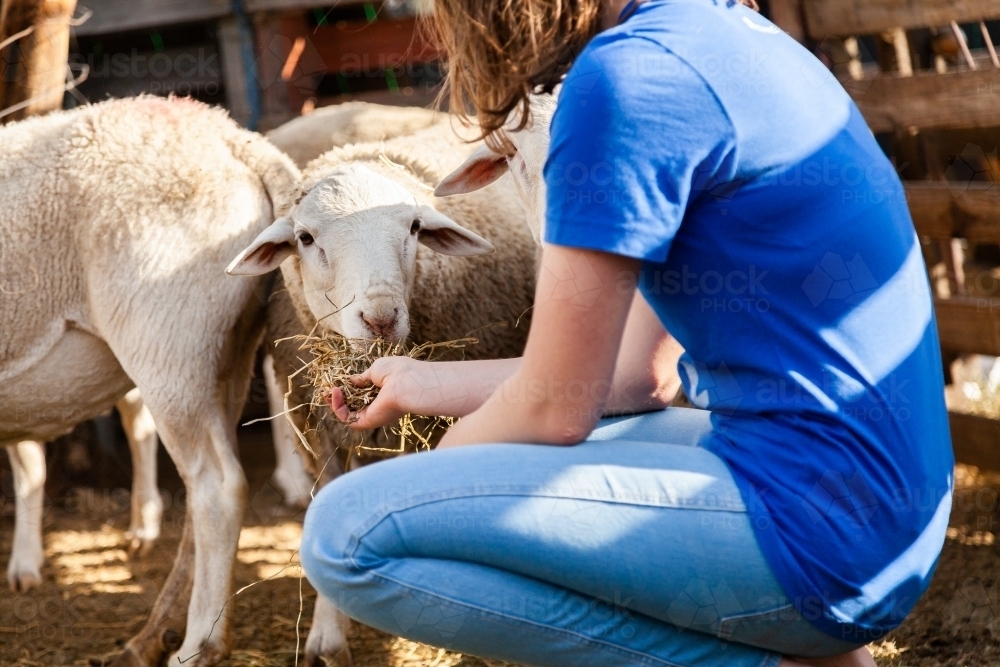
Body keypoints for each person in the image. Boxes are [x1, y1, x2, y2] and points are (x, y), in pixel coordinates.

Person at [299, 0, 954, 665]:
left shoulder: (621, 79)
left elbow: (556, 408)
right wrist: (423, 381)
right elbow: (636, 374)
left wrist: (438, 481)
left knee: (345, 534)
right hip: (886, 509)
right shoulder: (726, 32)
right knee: (575, 440)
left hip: (817, 535)